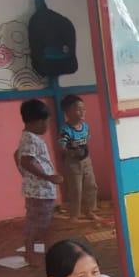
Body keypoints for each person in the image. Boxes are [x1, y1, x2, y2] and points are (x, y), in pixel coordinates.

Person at [16, 98, 62, 268]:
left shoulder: (28, 137)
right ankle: (32, 253)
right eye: (46, 122)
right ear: (37, 121)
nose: (47, 126)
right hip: (39, 192)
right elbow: (26, 160)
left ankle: (41, 252)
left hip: (38, 191)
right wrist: (48, 177)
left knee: (40, 222)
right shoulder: (31, 139)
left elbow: (17, 156)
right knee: (39, 225)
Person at [57, 95, 99, 223]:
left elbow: (87, 140)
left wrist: (82, 152)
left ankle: (89, 211)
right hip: (73, 163)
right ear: (68, 112)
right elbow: (62, 147)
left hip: (86, 161)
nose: (82, 112)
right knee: (76, 189)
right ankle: (74, 215)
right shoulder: (65, 130)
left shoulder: (85, 126)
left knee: (91, 186)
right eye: (78, 109)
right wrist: (72, 151)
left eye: (83, 109)